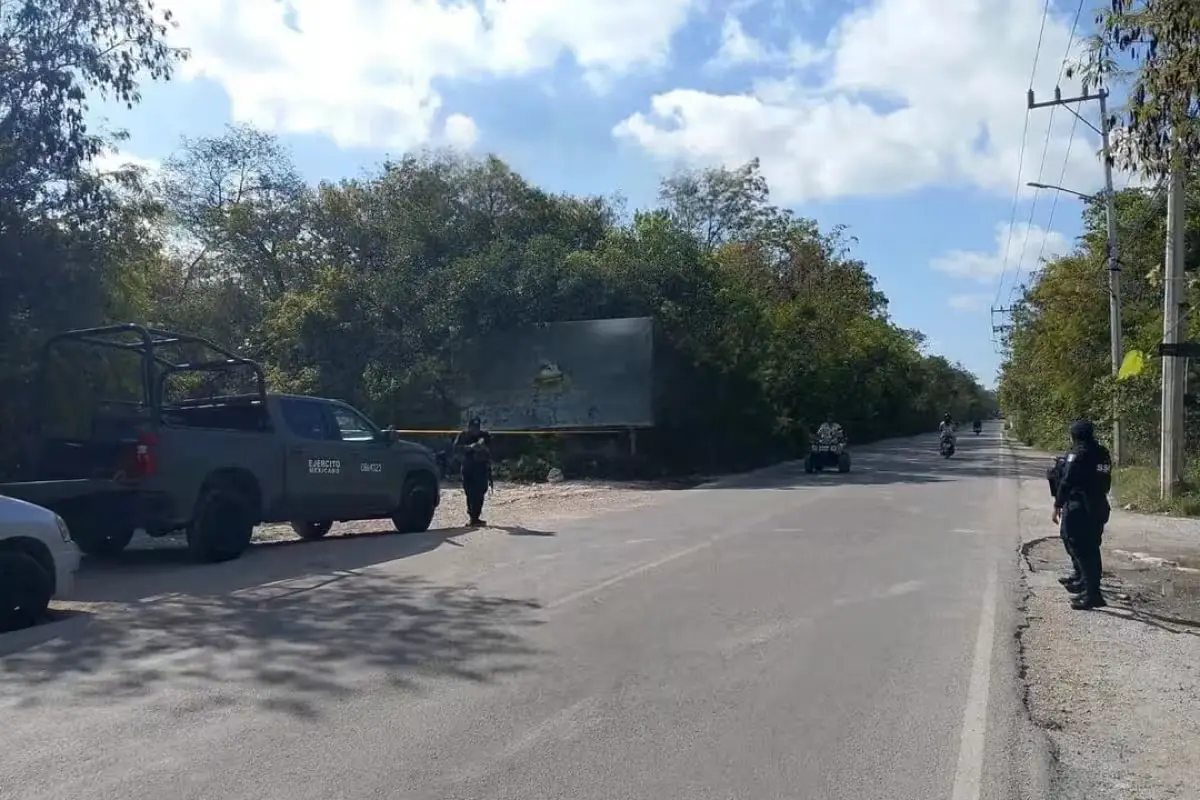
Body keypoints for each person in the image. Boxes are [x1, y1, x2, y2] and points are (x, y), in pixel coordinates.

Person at [1052, 419, 1112, 610]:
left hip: (1080, 506)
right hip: (1099, 504)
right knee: (1092, 548)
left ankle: (1092, 594)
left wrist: (1057, 504)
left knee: (1081, 548)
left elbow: (1067, 480)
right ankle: (1088, 587)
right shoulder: (1103, 453)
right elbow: (1105, 480)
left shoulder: (1077, 454)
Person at [453, 416, 493, 526]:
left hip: (481, 468)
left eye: (477, 427)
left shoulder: (484, 435)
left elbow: (491, 449)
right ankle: (472, 517)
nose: (475, 429)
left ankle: (476, 517)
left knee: (480, 492)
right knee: (470, 493)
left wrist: (482, 447)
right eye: (473, 427)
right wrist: (471, 447)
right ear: (469, 427)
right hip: (468, 468)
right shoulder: (463, 436)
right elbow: (456, 449)